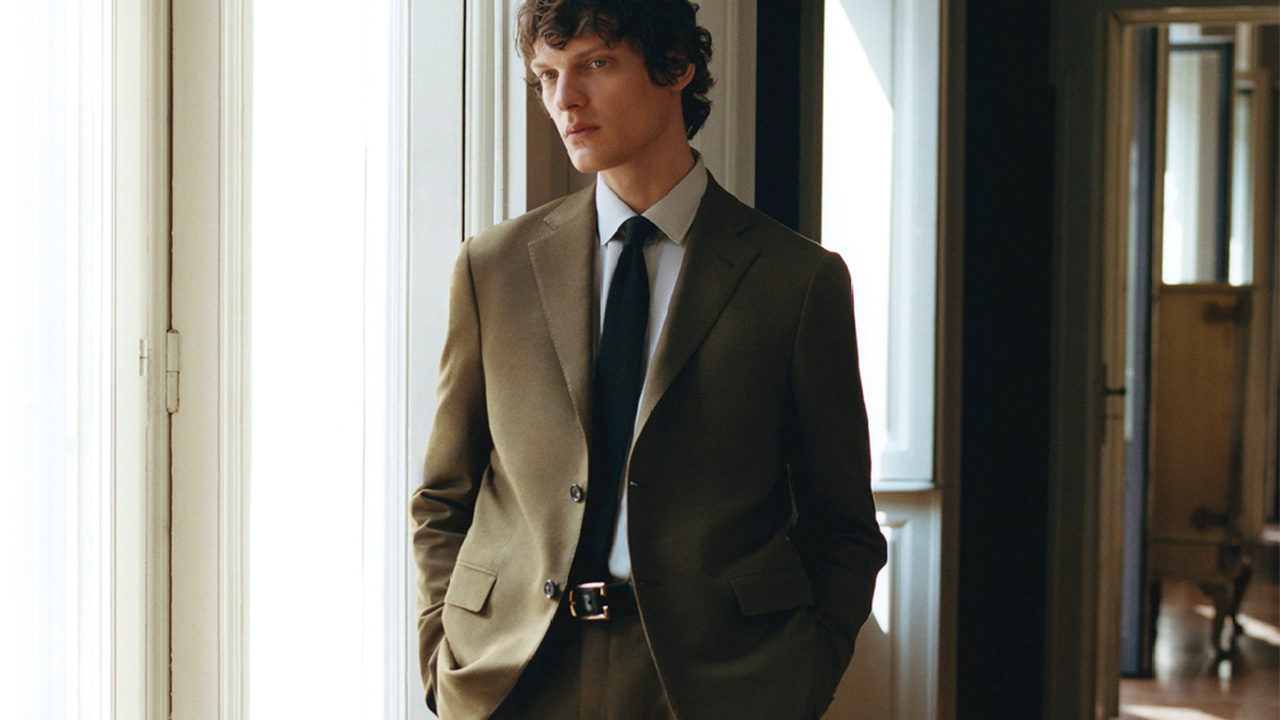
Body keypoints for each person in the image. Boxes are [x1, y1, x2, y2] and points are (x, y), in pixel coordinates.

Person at [411, 1, 886, 717]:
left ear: (675, 68)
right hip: (514, 672)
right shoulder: (495, 268)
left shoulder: (797, 281)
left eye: (595, 64)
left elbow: (842, 523)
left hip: (713, 681)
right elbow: (446, 494)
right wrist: (440, 651)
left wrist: (801, 677)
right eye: (545, 75)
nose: (564, 99)